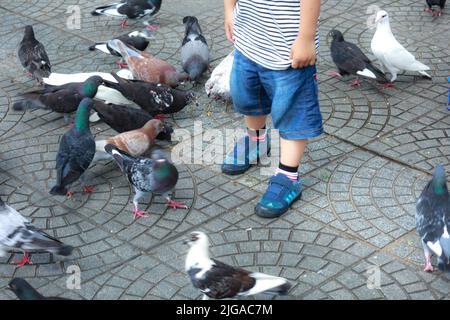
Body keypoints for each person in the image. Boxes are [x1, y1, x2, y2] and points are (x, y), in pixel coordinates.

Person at [222, 0, 323, 218]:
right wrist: (229, 11)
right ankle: (256, 141)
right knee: (246, 96)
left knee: (292, 112)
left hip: (288, 53)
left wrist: (306, 37)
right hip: (248, 42)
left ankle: (288, 176)